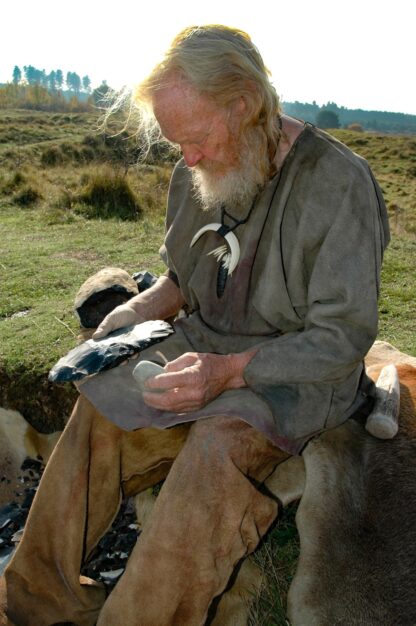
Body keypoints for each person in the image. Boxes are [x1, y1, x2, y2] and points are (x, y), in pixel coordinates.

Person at [1, 24, 389, 626]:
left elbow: (342, 338)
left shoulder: (338, 184)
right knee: (99, 402)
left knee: (216, 449)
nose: (188, 158)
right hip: (204, 347)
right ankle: (36, 600)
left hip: (292, 373)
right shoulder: (195, 169)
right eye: (175, 141)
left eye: (198, 138)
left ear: (245, 104)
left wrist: (229, 372)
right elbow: (183, 281)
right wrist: (133, 313)